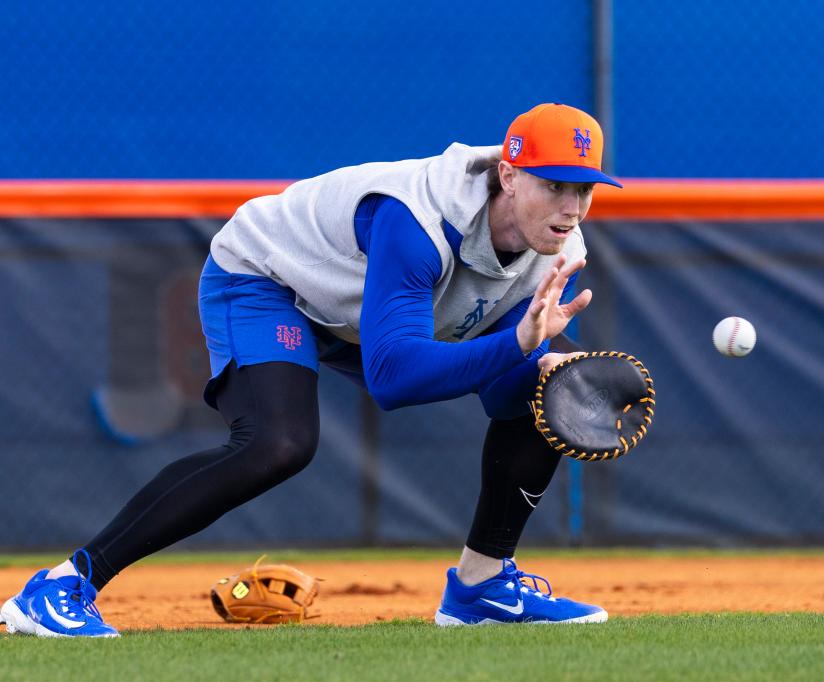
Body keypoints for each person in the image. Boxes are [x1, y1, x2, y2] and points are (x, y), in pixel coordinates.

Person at [1, 103, 622, 637]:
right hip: (271, 279)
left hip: (361, 311)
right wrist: (519, 343)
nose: (570, 207)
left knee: (547, 389)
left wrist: (544, 363)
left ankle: (481, 587)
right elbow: (394, 378)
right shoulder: (419, 219)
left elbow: (498, 377)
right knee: (278, 443)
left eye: (584, 190)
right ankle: (62, 587)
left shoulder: (558, 250)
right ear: (509, 175)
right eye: (554, 185)